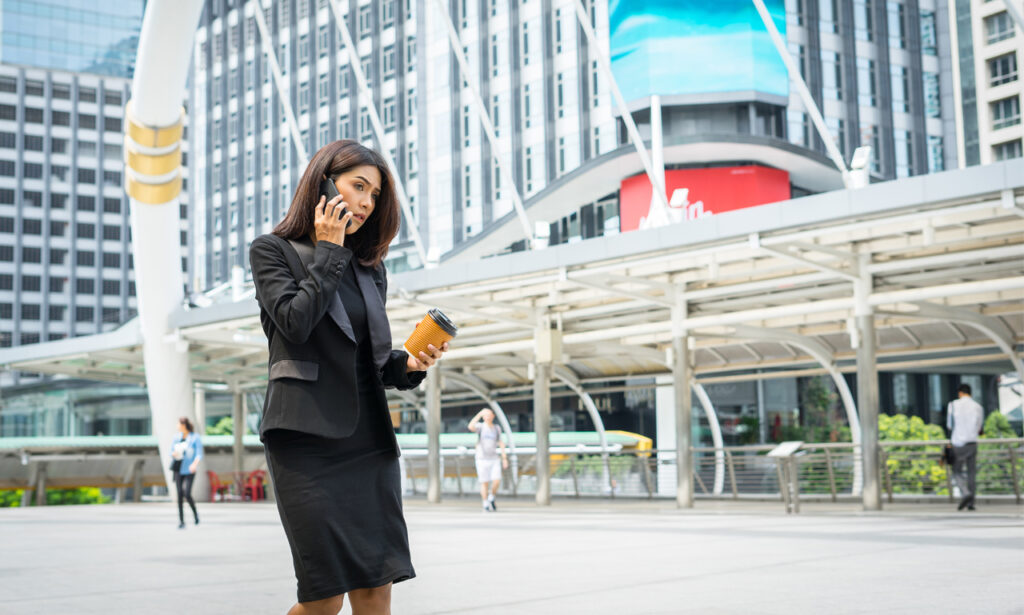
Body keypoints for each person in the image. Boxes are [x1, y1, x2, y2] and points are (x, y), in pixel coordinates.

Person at [249, 140, 447, 615]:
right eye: (358, 186)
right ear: (323, 182)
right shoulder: (272, 252)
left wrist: (409, 364)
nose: (365, 202)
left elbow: (373, 362)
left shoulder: (369, 271)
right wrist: (329, 251)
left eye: (374, 195)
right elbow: (296, 323)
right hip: (304, 441)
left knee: (377, 588)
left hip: (368, 444)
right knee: (323, 599)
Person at [946, 383, 985, 511]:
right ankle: (971, 503)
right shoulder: (977, 406)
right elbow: (979, 427)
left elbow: (950, 425)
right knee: (971, 473)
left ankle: (965, 492)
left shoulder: (952, 405)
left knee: (956, 471)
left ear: (960, 393)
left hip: (958, 443)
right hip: (972, 443)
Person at [468, 408, 508, 512]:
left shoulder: (496, 428)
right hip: (481, 459)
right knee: (484, 482)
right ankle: (485, 502)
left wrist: (504, 458)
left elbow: (501, 443)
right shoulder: (480, 427)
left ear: (493, 416)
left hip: (494, 458)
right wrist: (479, 414)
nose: (488, 417)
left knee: (497, 480)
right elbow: (470, 426)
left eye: (490, 415)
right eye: (486, 415)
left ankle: (492, 496)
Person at [170, 417, 203, 529]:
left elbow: (199, 453)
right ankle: (181, 520)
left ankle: (195, 514)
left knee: (187, 493)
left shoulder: (195, 438)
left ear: (183, 425)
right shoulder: (176, 438)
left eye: (178, 424)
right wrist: (174, 454)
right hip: (178, 468)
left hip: (189, 469)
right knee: (179, 494)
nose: (177, 426)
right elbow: (171, 451)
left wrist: (194, 464)